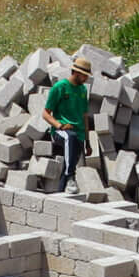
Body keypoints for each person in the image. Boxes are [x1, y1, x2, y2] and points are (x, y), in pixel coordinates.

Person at [45, 58, 94, 195]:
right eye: (84, 76)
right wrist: (59, 125)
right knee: (70, 138)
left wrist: (87, 142)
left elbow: (84, 117)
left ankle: (59, 196)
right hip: (61, 132)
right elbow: (45, 114)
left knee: (68, 164)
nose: (86, 79)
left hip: (78, 134)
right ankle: (72, 176)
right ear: (77, 73)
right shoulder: (59, 88)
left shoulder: (83, 90)